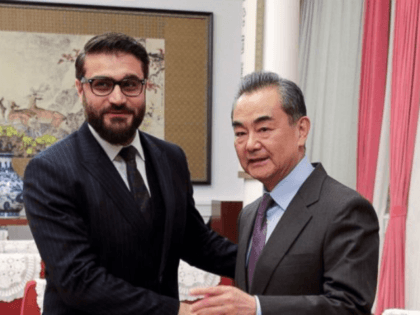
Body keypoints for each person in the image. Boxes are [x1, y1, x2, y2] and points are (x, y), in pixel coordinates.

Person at [23, 32, 237, 315]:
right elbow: (78, 280)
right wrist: (176, 311)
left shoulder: (171, 157)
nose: (117, 98)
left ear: (145, 86)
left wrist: (269, 264)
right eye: (101, 84)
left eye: (130, 84)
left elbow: (196, 242)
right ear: (80, 89)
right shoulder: (50, 170)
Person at [191, 71, 379, 315]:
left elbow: (349, 307)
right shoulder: (249, 215)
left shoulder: (346, 209)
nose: (250, 144)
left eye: (264, 129)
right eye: (240, 133)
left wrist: (258, 308)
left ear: (301, 131)